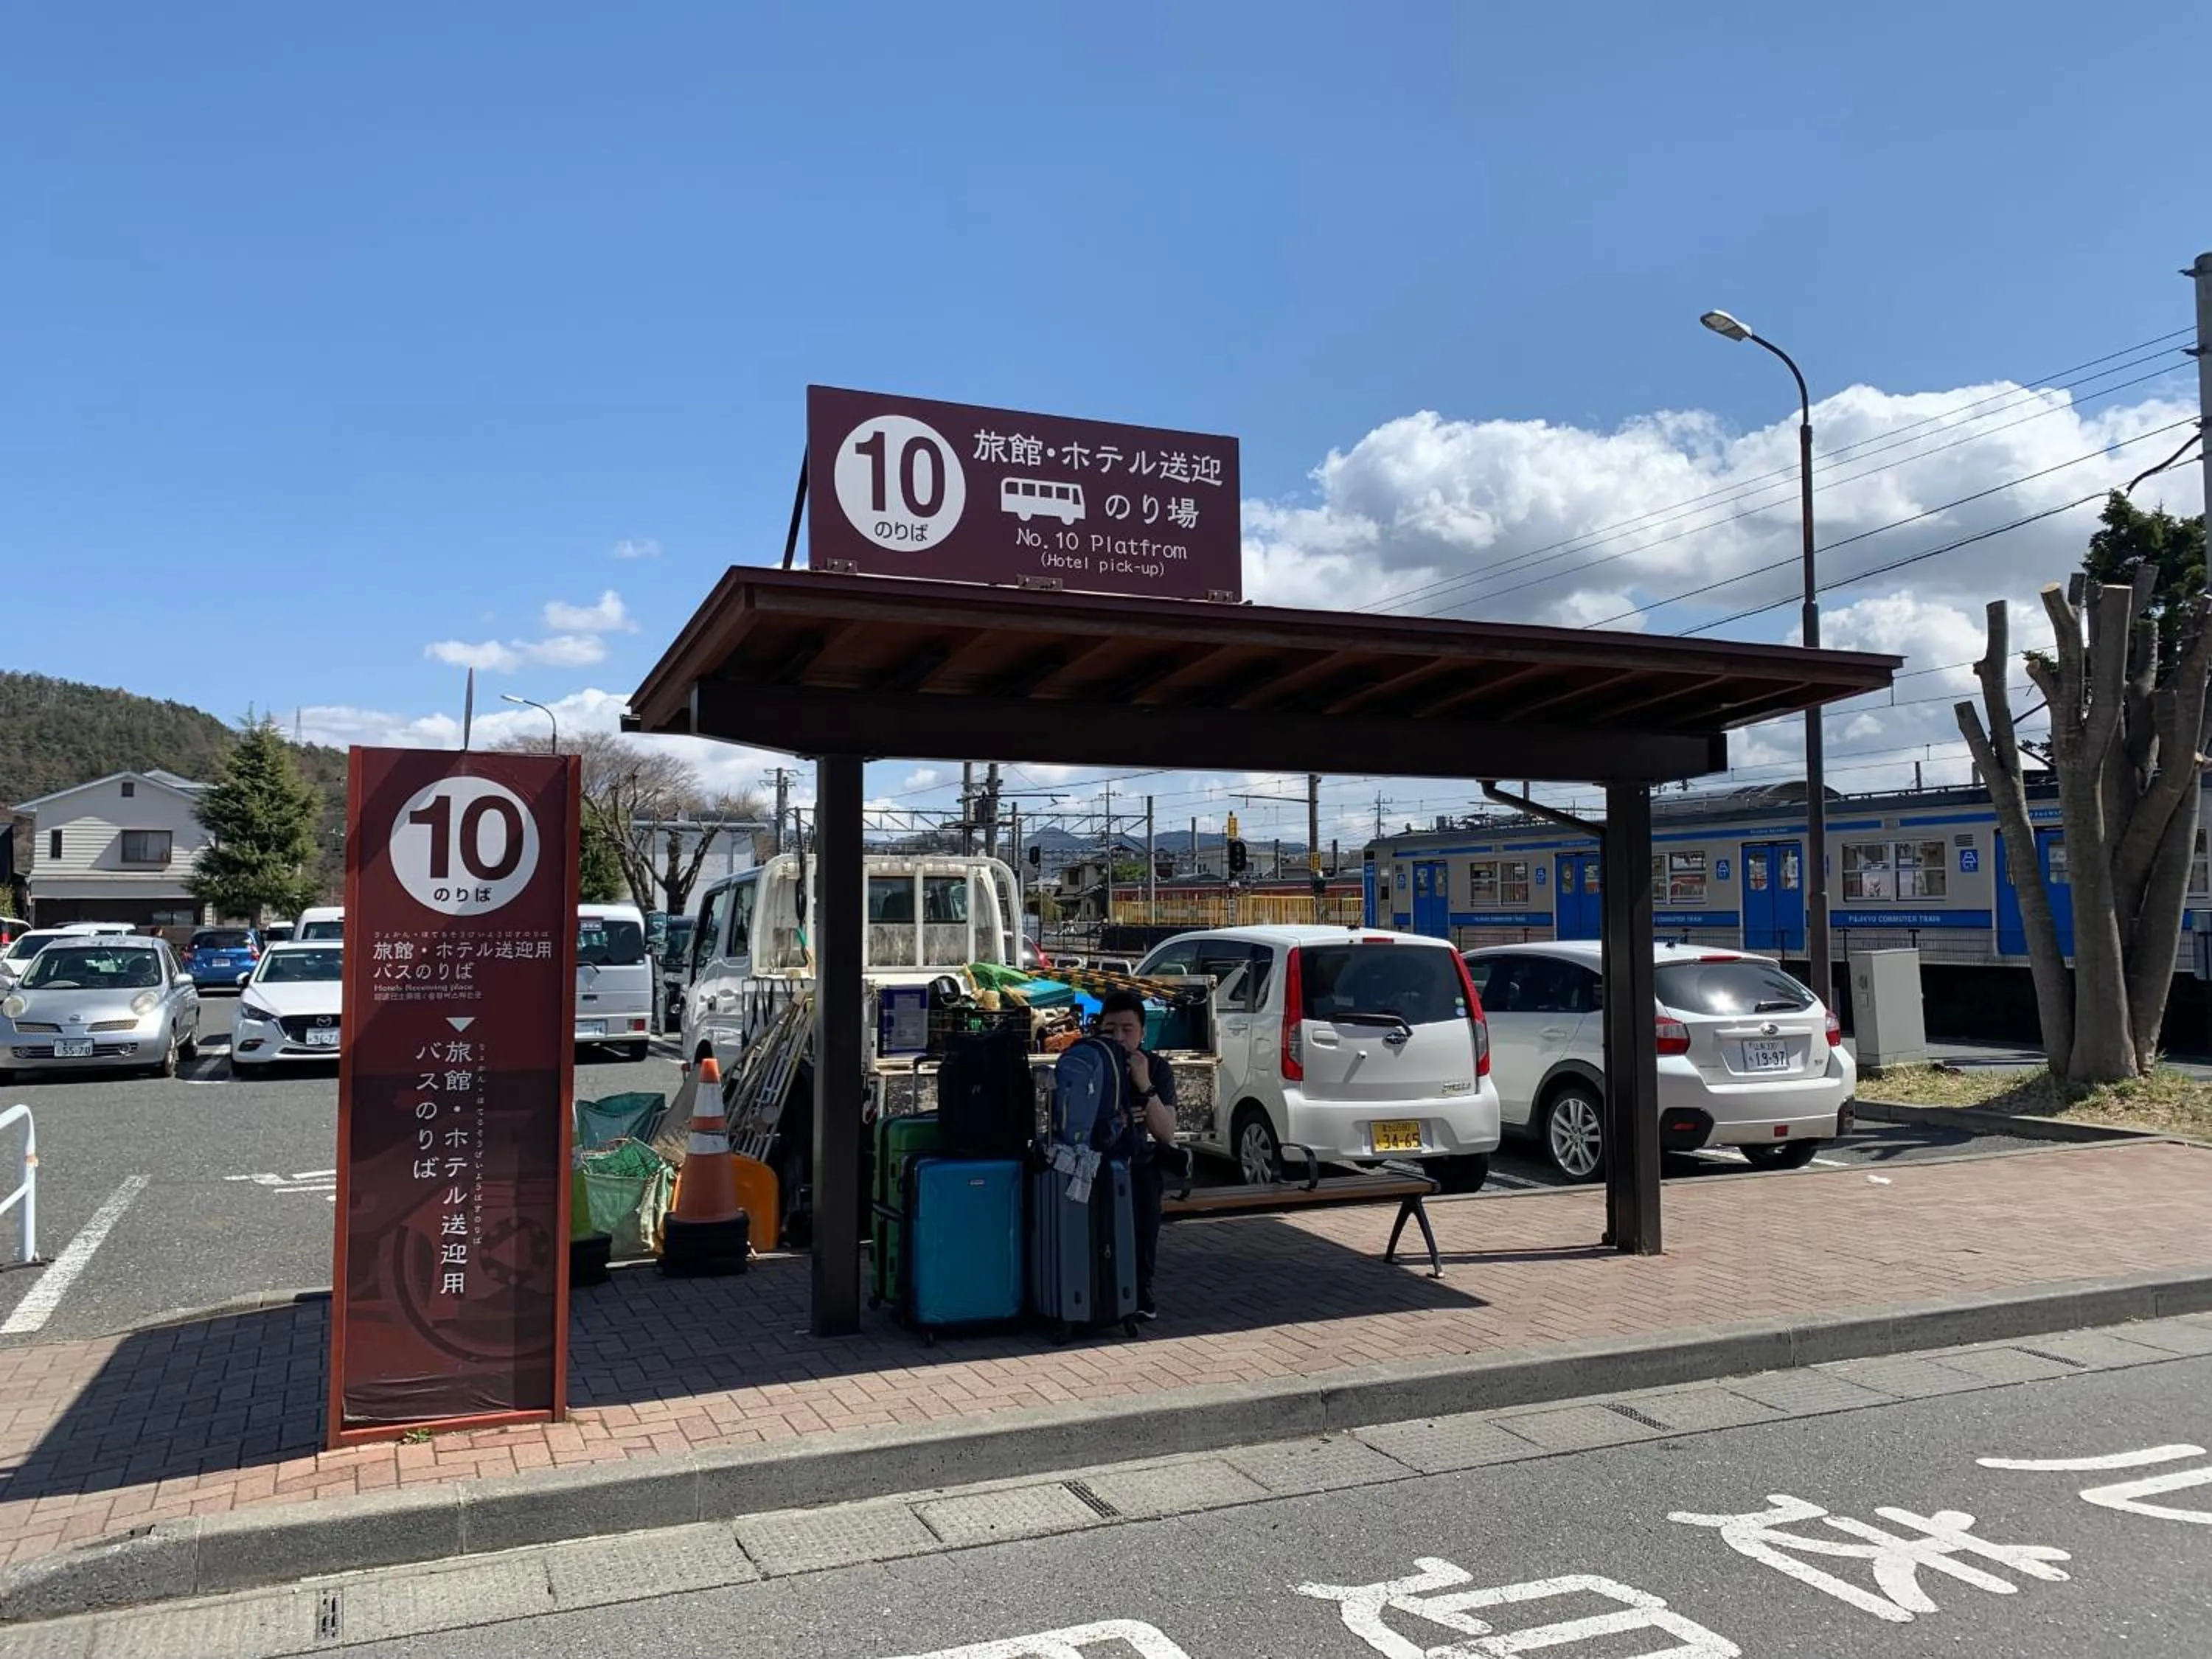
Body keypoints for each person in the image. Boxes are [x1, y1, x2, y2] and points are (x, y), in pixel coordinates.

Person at [1092, 989, 1186, 1320]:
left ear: (1143, 1032)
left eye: (1127, 1029)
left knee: (1145, 1201)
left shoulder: (1156, 1067)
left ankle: (1141, 1289)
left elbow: (1166, 1132)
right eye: (1110, 1029)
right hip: (1095, 1161)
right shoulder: (1090, 1061)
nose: (1119, 1037)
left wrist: (1145, 1085)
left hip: (1138, 1162)